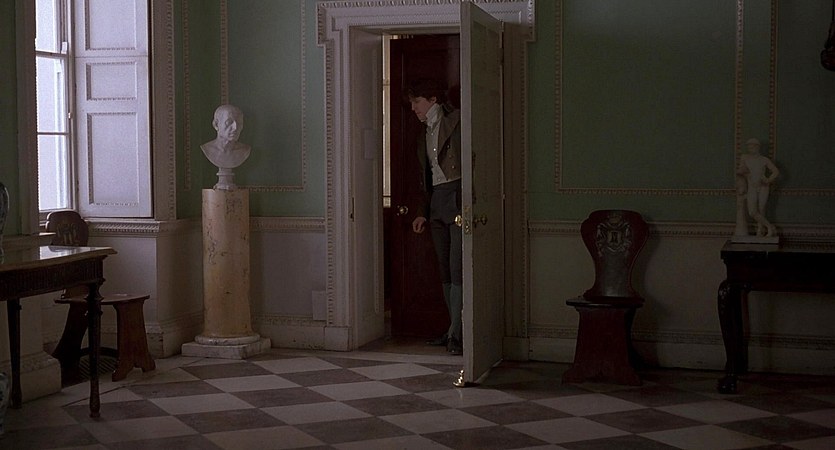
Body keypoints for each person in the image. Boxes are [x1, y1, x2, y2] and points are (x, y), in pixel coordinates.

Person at [408, 78, 463, 355]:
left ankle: (457, 333)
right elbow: (425, 179)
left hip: (458, 197)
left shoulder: (457, 120)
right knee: (444, 270)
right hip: (437, 201)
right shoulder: (423, 133)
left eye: (416, 102)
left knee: (458, 269)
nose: (413, 108)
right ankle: (454, 330)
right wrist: (422, 213)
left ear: (432, 100)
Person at [736, 138, 780, 237]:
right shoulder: (745, 158)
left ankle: (760, 231)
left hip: (763, 187)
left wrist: (768, 180)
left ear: (757, 147)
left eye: (752, 146)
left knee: (761, 209)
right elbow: (740, 170)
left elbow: (776, 171)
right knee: (752, 212)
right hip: (752, 187)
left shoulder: (764, 159)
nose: (750, 148)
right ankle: (769, 227)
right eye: (749, 146)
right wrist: (745, 173)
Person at [201, 104, 251, 170]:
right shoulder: (207, 149)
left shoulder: (245, 151)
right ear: (216, 125)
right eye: (229, 122)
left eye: (239, 123)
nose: (235, 128)